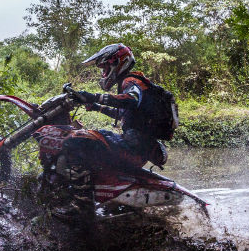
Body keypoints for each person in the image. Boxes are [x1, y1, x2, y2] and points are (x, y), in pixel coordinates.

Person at [60, 43, 173, 179]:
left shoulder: (130, 81)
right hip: (138, 149)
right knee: (99, 134)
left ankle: (79, 186)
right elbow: (123, 114)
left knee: (75, 138)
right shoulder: (132, 84)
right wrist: (96, 106)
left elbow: (131, 99)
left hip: (134, 149)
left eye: (106, 69)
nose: (104, 74)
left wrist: (93, 96)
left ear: (117, 63)